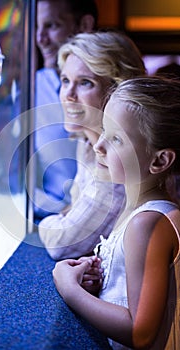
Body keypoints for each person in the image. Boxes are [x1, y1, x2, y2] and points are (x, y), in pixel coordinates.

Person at [52, 76, 180, 349]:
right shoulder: (135, 213)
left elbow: (140, 333)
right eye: (103, 130)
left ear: (159, 160)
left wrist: (69, 288)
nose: (98, 146)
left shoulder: (147, 224)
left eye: (116, 138)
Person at [38, 30, 146, 260]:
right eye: (65, 80)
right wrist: (66, 216)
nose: (68, 94)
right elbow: (74, 209)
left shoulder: (117, 165)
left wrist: (47, 223)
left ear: (118, 90)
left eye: (85, 83)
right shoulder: (87, 142)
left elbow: (63, 244)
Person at [33, 0, 98, 222]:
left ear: (84, 25)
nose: (40, 39)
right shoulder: (27, 91)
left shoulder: (120, 93)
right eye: (36, 27)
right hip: (50, 221)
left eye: (51, 25)